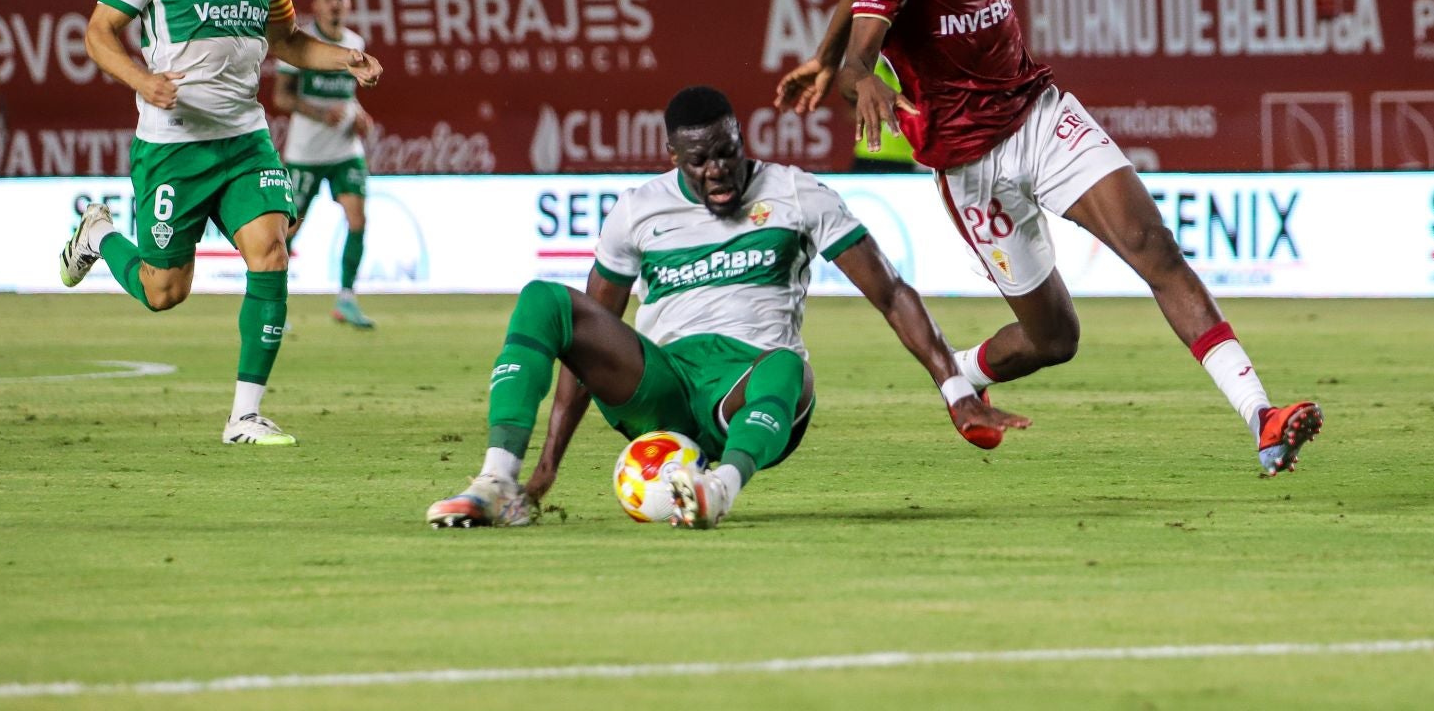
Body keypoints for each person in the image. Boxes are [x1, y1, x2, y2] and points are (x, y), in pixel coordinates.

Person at [774, 0, 1324, 478]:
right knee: (1055, 338)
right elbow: (871, 6)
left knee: (1154, 249)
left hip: (1038, 114)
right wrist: (854, 75)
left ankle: (1262, 417)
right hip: (971, 162)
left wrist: (824, 59)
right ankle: (962, 372)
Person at [425, 86, 1026, 530]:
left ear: (742, 139)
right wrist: (548, 467)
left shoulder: (797, 193)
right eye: (699, 160)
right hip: (662, 386)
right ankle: (499, 480)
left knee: (792, 366)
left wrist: (955, 388)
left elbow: (892, 292)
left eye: (726, 152)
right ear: (672, 157)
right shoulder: (638, 211)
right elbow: (586, 341)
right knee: (544, 301)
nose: (717, 172)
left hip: (747, 387)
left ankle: (719, 489)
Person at [57, 0, 384, 446]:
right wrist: (142, 80)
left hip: (243, 137)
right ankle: (98, 233)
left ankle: (245, 415)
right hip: (173, 144)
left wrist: (345, 59)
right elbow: (99, 33)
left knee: (271, 248)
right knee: (164, 291)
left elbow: (286, 42)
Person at [272, 0, 376, 331]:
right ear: (315, 5)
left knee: (358, 218)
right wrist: (320, 114)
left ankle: (346, 298)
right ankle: (273, 300)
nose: (336, 4)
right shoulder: (300, 42)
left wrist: (359, 115)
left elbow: (348, 94)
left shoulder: (354, 43)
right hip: (306, 152)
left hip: (345, 148)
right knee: (289, 230)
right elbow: (281, 96)